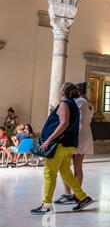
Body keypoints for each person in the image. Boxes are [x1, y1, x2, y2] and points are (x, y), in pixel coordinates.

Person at [30, 82, 93, 215]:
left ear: (63, 92)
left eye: (61, 87)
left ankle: (46, 205)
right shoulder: (73, 104)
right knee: (65, 171)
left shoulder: (65, 103)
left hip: (59, 144)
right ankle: (82, 198)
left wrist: (49, 139)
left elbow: (64, 123)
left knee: (49, 173)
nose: (59, 89)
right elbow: (65, 120)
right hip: (68, 145)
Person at [55, 82, 94, 205]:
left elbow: (67, 115)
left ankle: (68, 194)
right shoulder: (88, 104)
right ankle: (77, 194)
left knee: (64, 165)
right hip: (86, 133)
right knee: (78, 166)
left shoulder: (79, 102)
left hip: (77, 133)